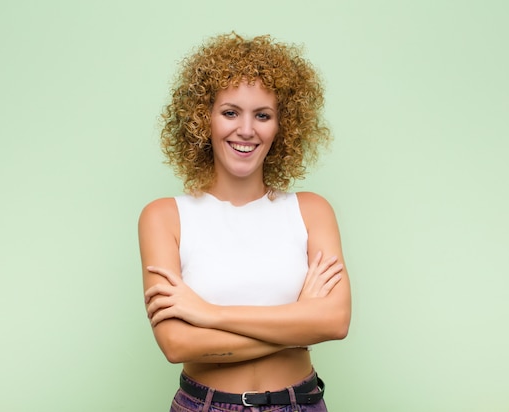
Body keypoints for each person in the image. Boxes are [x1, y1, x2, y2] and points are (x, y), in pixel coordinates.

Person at [138, 32, 351, 412]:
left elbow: (334, 322)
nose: (247, 130)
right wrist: (298, 323)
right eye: (231, 112)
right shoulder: (164, 217)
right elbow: (177, 344)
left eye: (263, 115)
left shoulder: (312, 210)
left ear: (282, 125)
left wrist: (211, 315)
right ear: (203, 120)